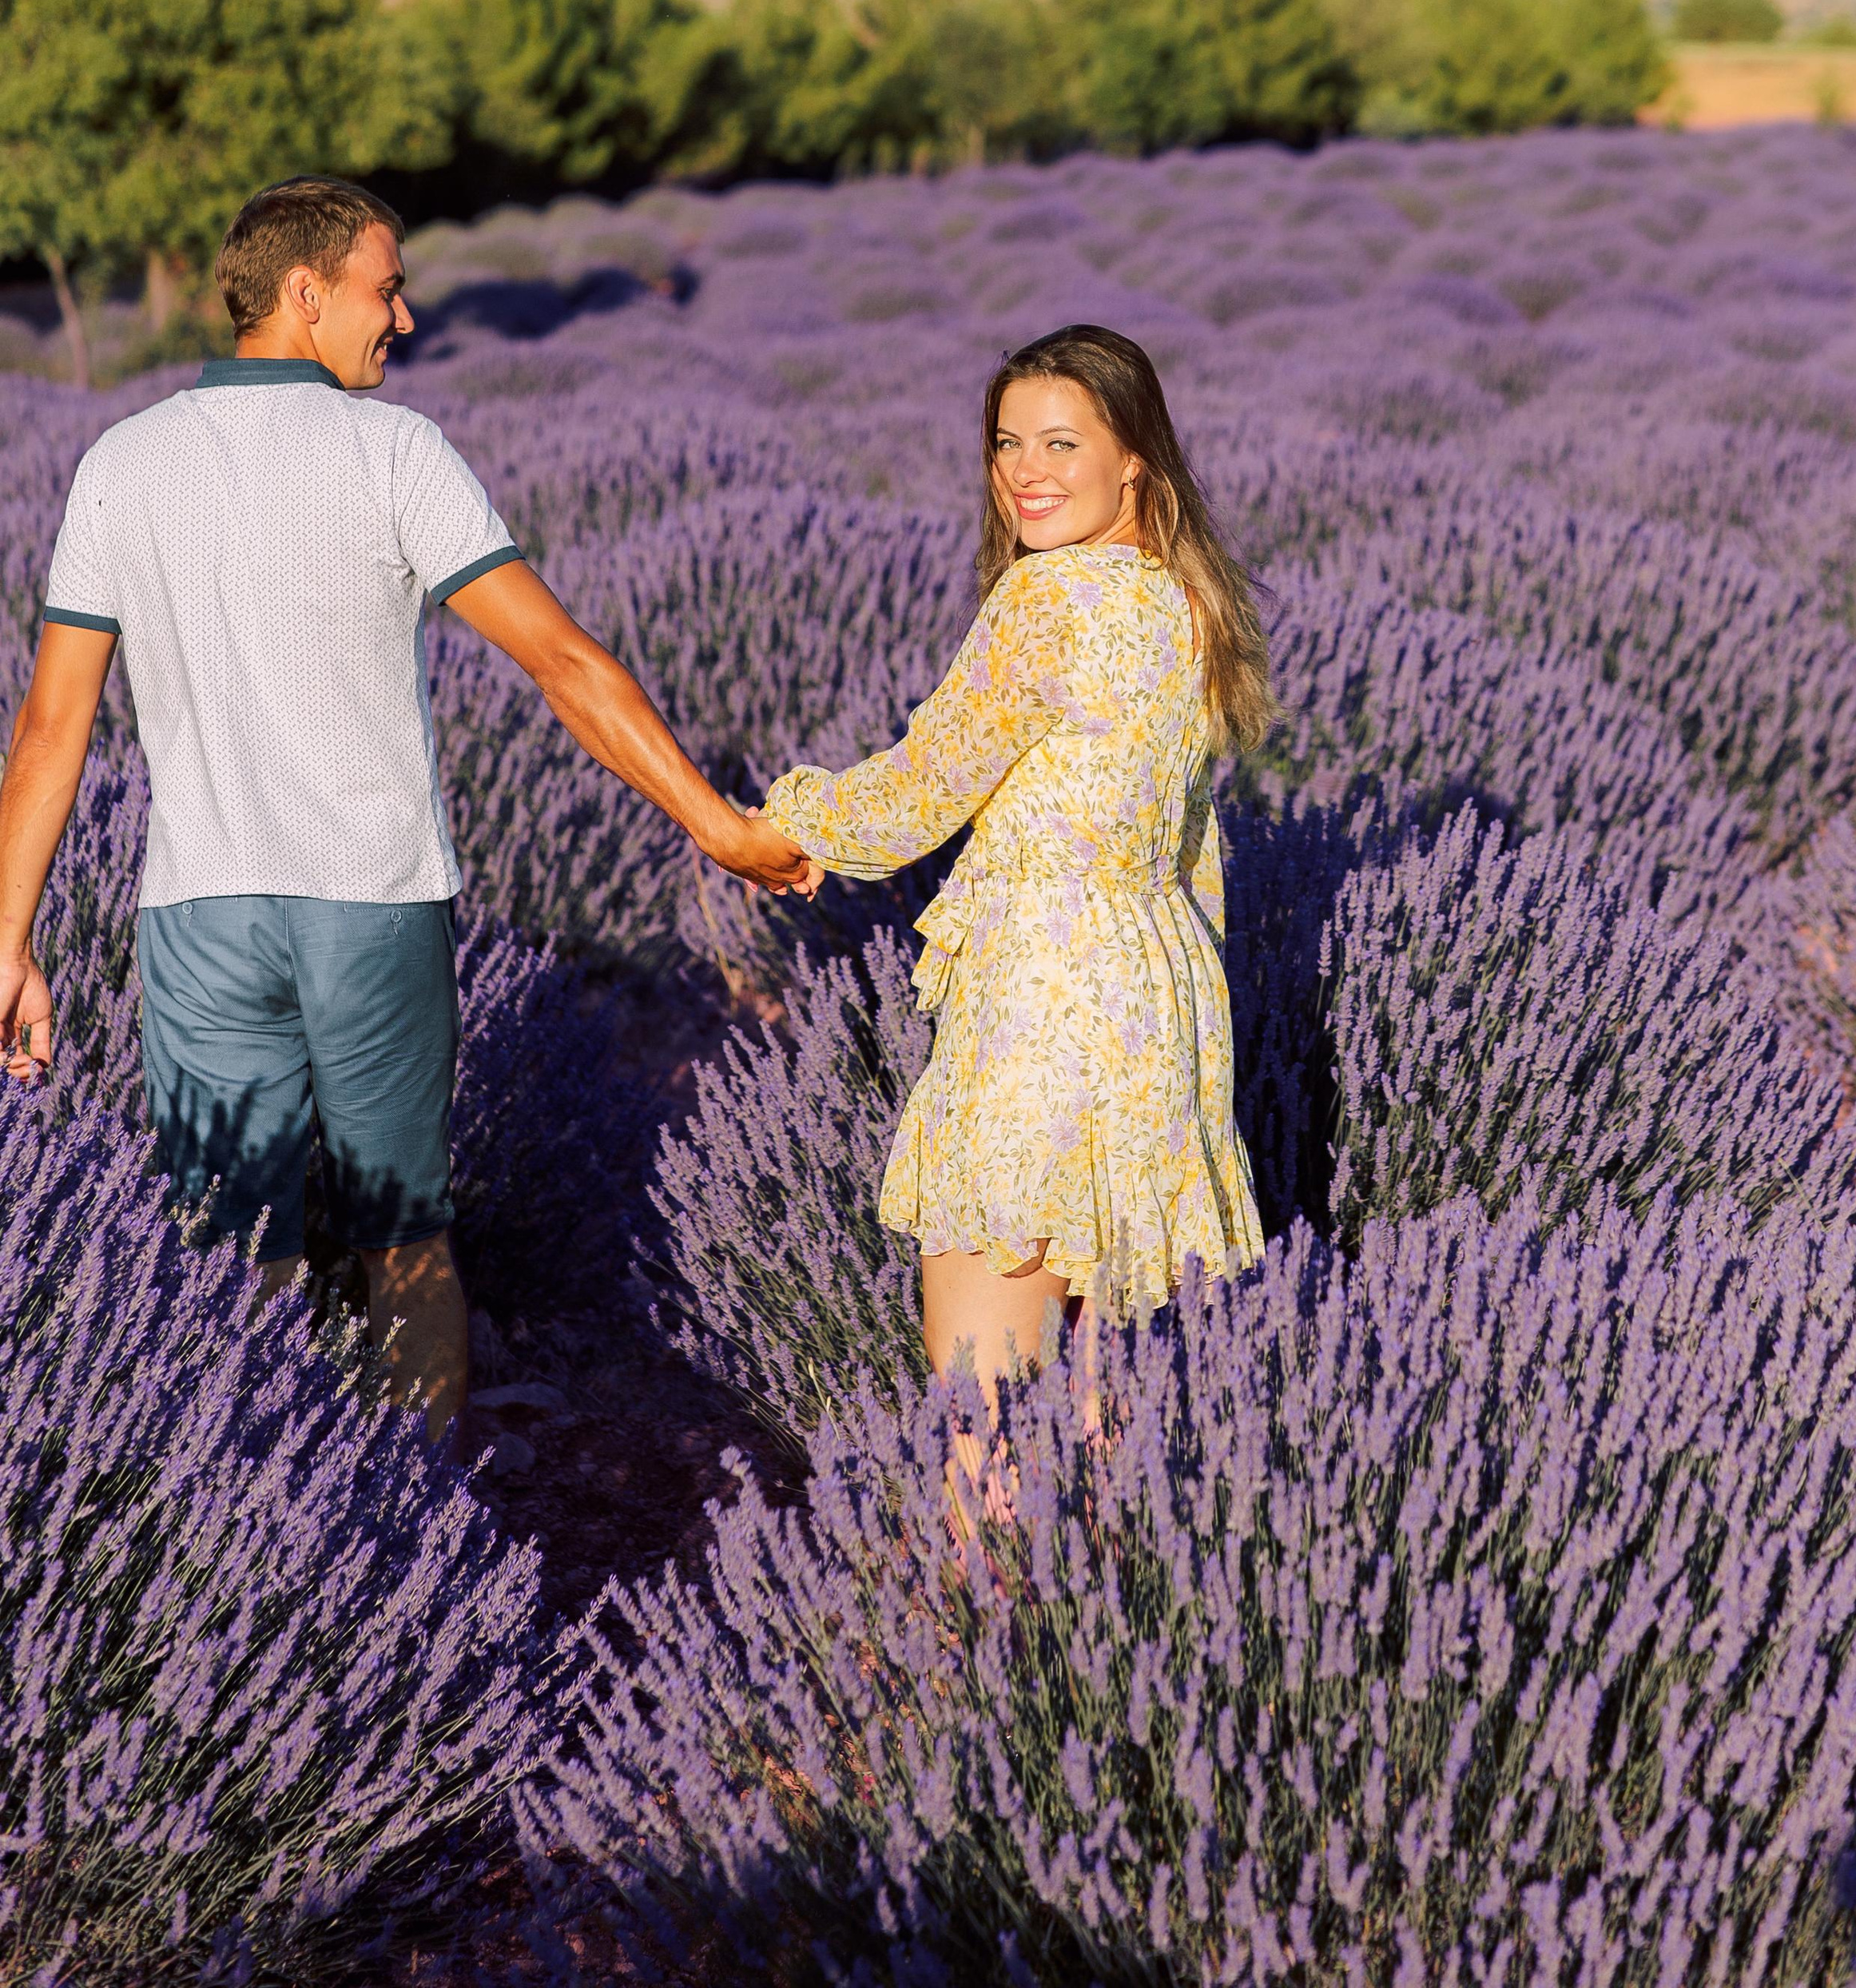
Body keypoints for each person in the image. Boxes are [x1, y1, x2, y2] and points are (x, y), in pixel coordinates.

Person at [0, 176, 814, 1442]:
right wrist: (714, 823)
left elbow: (52, 729)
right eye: (387, 288)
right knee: (407, 1235)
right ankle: (425, 1495)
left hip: (199, 910)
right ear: (304, 294)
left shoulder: (121, 462)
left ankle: (255, 1526)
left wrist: (10, 943)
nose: (409, 319)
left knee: (232, 1246)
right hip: (371, 902)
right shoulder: (396, 454)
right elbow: (563, 664)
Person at [762, 322, 1269, 1410]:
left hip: (1044, 1007)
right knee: (1106, 1408)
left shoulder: (1049, 598)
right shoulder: (1184, 604)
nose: (1025, 475)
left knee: (987, 1407)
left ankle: (986, 1580)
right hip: (1163, 1005)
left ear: (1135, 454)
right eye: (1007, 444)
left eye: (1060, 445)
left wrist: (786, 824)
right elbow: (1196, 850)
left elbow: (919, 791)